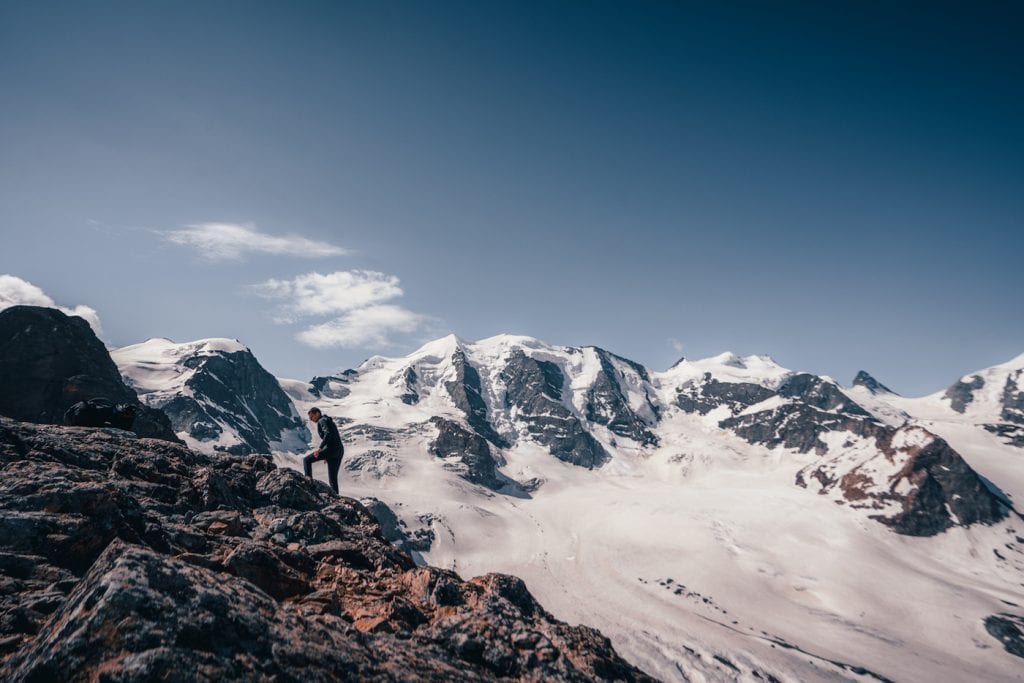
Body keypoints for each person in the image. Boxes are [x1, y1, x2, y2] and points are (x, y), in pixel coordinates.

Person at [303, 407, 344, 494]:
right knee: (333, 479)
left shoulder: (322, 421)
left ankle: (308, 486)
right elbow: (333, 436)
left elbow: (328, 433)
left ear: (317, 413)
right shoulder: (328, 420)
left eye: (312, 417)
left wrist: (320, 449)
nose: (311, 419)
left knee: (306, 460)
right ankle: (336, 498)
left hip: (331, 449)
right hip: (339, 450)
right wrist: (326, 454)